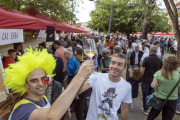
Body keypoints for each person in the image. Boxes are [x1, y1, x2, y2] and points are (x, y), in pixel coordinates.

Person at [4, 47, 95, 120]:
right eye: (34, 80)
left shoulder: (42, 98)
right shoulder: (23, 109)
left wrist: (95, 79)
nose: (41, 84)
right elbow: (51, 116)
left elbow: (70, 93)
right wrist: (79, 77)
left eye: (44, 79)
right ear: (26, 84)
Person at [77, 53, 132, 120]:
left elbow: (124, 108)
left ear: (124, 68)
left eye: (120, 64)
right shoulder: (96, 77)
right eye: (113, 63)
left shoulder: (127, 86)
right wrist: (81, 75)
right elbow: (77, 91)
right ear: (109, 64)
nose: (115, 66)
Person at [141, 46, 163, 115]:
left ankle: (146, 109)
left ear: (150, 51)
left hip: (146, 79)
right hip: (154, 80)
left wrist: (141, 78)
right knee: (151, 95)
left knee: (145, 94)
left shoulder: (146, 59)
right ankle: (148, 107)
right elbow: (160, 71)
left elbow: (142, 70)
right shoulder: (160, 60)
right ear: (156, 52)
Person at [74, 48, 89, 120]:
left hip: (81, 87)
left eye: (75, 55)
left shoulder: (84, 64)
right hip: (83, 87)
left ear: (79, 55)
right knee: (83, 102)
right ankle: (87, 114)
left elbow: (82, 78)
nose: (74, 57)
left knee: (79, 106)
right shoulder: (82, 63)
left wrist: (77, 90)